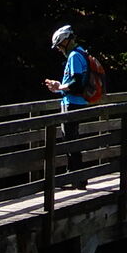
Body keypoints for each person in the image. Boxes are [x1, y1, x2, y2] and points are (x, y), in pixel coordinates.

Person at [43, 24, 90, 179]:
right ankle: (76, 176)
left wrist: (59, 87)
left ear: (65, 41)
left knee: (70, 141)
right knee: (71, 139)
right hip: (78, 102)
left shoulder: (74, 56)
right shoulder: (81, 52)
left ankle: (77, 177)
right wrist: (59, 87)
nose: (58, 48)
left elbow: (76, 83)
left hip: (72, 103)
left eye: (59, 45)